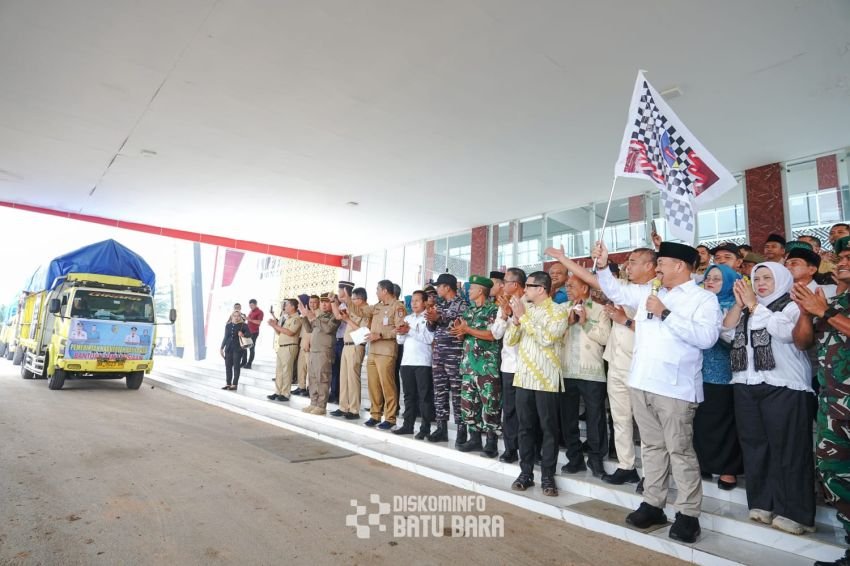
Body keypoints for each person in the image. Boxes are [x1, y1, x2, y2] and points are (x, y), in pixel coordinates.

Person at [595, 239, 721, 544]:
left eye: (661, 264)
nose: (657, 269)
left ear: (679, 266)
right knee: (651, 447)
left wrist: (665, 313)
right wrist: (601, 266)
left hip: (675, 387)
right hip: (642, 382)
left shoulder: (702, 300)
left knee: (679, 450)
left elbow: (707, 338)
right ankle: (653, 503)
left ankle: (688, 514)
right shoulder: (650, 292)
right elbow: (615, 290)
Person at [546, 245, 656, 489]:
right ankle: (627, 466)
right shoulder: (624, 291)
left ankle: (651, 474)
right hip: (616, 361)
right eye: (627, 261)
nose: (628, 266)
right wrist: (564, 259)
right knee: (620, 419)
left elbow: (660, 330)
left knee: (645, 424)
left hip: (641, 365)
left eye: (633, 261)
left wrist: (624, 320)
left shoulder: (655, 293)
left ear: (651, 266)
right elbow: (593, 279)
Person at [724, 262, 815, 535]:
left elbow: (788, 333)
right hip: (746, 383)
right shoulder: (749, 307)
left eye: (767, 278)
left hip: (784, 385)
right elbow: (726, 332)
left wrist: (754, 306)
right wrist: (740, 305)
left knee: (789, 449)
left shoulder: (792, 303)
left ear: (782, 279)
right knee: (755, 446)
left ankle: (795, 513)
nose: (761, 283)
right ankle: (762, 503)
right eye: (756, 278)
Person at [792, 235, 850, 566]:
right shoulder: (831, 301)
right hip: (832, 406)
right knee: (834, 478)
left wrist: (824, 311)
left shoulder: (830, 305)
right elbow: (802, 343)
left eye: (849, 257)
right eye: (840, 257)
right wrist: (805, 312)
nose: (842, 261)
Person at [505, 271, 570, 497]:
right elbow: (510, 340)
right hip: (523, 378)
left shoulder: (560, 311)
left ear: (541, 289)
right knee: (525, 429)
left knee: (549, 430)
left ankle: (548, 477)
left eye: (529, 286)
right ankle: (525, 474)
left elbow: (547, 338)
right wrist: (515, 319)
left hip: (547, 380)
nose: (525, 290)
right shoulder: (526, 310)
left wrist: (522, 317)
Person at [693, 265, 744, 491]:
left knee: (724, 423)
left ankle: (727, 469)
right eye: (708, 278)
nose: (710, 282)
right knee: (701, 421)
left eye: (717, 279)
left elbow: (731, 339)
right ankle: (704, 462)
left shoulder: (737, 307)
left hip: (725, 374)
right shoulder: (699, 305)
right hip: (697, 372)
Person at [559, 274, 611, 477]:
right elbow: (553, 335)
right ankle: (575, 458)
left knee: (595, 418)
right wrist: (567, 322)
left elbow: (606, 337)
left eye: (572, 285)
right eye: (566, 285)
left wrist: (585, 322)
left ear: (585, 288)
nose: (568, 289)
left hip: (592, 372)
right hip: (566, 370)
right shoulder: (563, 309)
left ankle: (596, 459)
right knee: (568, 418)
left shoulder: (600, 309)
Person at [452, 275, 501, 457]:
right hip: (468, 366)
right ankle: (474, 439)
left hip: (487, 367)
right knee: (468, 404)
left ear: (481, 291)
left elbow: (492, 335)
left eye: (471, 288)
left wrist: (467, 330)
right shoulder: (468, 312)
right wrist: (458, 331)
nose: (468, 291)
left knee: (490, 405)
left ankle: (491, 442)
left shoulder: (494, 311)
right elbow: (463, 336)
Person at [425, 273, 468, 443]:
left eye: (439, 286)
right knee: (440, 392)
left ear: (447, 287)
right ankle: (441, 428)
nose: (437, 289)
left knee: (458, 394)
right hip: (439, 356)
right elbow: (431, 329)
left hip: (454, 355)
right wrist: (431, 317)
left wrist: (439, 317)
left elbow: (458, 324)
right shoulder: (440, 305)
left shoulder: (462, 305)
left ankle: (461, 430)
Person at [490, 267, 527, 463]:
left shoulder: (530, 303)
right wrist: (504, 315)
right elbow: (496, 333)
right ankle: (511, 449)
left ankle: (530, 450)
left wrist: (514, 314)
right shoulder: (503, 305)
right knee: (510, 410)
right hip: (509, 367)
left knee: (527, 411)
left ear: (516, 284)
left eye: (506, 281)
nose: (502, 285)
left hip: (529, 366)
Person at [364, 280, 405, 430]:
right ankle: (375, 414)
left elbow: (400, 329)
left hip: (387, 352)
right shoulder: (377, 306)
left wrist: (380, 334)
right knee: (373, 385)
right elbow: (361, 310)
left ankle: (391, 417)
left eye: (377, 289)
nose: (376, 292)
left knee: (388, 386)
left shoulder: (398, 307)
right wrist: (345, 301)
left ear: (385, 291)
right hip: (373, 351)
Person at [394, 290, 435, 438]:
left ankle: (425, 428)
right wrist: (400, 332)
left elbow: (429, 339)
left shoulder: (429, 318)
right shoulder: (408, 318)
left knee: (424, 397)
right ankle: (407, 425)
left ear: (424, 302)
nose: (414, 303)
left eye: (417, 301)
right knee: (409, 395)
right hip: (407, 362)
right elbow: (400, 341)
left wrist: (409, 330)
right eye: (412, 301)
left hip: (423, 362)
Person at [330, 287, 371, 420]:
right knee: (344, 378)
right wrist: (333, 302)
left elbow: (364, 331)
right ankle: (343, 407)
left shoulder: (366, 311)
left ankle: (354, 410)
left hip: (356, 346)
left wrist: (348, 320)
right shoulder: (353, 310)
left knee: (353, 379)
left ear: (360, 299)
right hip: (346, 346)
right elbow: (338, 316)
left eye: (353, 299)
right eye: (351, 299)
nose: (351, 302)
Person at [299, 293, 341, 415]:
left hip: (324, 351)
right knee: (312, 378)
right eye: (322, 302)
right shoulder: (319, 316)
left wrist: (313, 318)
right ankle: (313, 403)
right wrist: (304, 316)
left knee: (322, 379)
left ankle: (321, 406)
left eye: (326, 302)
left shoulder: (334, 317)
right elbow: (309, 329)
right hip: (314, 350)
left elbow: (328, 329)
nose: (323, 304)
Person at [266, 299, 301, 402]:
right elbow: (279, 332)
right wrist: (274, 326)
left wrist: (276, 325)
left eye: (287, 305)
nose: (285, 307)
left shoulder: (297, 318)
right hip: (282, 347)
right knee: (279, 371)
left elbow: (290, 333)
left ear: (293, 307)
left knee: (287, 371)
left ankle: (285, 393)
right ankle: (278, 392)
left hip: (290, 346)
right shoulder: (287, 318)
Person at [293, 295, 319, 397]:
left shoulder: (316, 314)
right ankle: (301, 386)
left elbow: (312, 331)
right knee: (301, 366)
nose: (312, 304)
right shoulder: (305, 313)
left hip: (310, 343)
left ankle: (309, 388)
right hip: (303, 342)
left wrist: (308, 342)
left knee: (310, 369)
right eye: (310, 302)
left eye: (314, 302)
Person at [220, 311, 249, 391]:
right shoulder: (228, 325)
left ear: (240, 317)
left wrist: (243, 334)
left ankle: (234, 384)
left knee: (236, 367)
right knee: (228, 366)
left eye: (238, 316)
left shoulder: (244, 325)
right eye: (234, 316)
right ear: (232, 316)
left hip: (238, 349)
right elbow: (225, 337)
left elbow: (249, 334)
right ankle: (228, 383)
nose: (236, 317)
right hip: (228, 348)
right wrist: (221, 348)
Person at [241, 299, 263, 369]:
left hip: (254, 332)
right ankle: (244, 362)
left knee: (251, 348)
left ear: (256, 304)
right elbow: (249, 321)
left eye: (252, 305)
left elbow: (259, 322)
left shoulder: (260, 312)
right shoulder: (251, 311)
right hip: (248, 331)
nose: (251, 307)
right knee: (244, 347)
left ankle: (249, 364)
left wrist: (249, 319)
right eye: (250, 305)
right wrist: (245, 319)